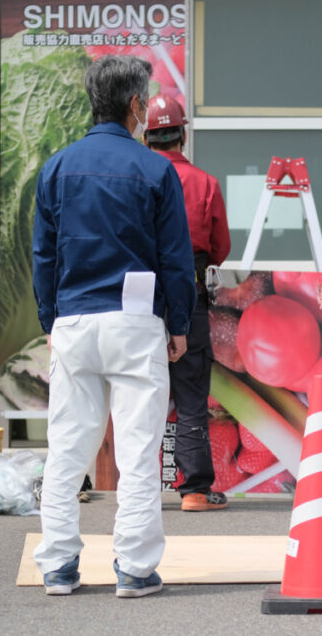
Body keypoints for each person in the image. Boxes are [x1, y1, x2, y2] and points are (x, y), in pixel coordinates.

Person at [31, 55, 196, 598]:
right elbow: (176, 258)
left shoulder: (56, 167)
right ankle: (135, 569)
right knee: (138, 450)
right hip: (135, 324)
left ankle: (57, 567)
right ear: (134, 106)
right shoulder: (156, 171)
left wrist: (49, 320)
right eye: (145, 100)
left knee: (67, 450)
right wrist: (179, 322)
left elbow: (44, 257)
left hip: (75, 320)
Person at [145, 94, 232, 512]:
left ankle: (139, 491)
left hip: (140, 301)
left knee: (138, 395)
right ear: (182, 134)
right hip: (189, 295)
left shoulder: (136, 180)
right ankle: (195, 490)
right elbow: (220, 249)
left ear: (147, 139)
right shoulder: (205, 183)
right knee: (192, 395)